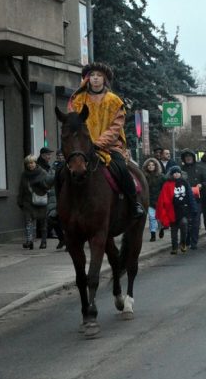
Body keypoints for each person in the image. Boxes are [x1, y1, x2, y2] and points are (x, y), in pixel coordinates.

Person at [66, 62, 144, 218]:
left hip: (109, 147)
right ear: (87, 79)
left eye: (99, 76)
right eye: (92, 75)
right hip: (82, 147)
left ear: (104, 79)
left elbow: (116, 127)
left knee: (122, 169)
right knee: (61, 171)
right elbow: (72, 122)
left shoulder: (114, 101)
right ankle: (57, 210)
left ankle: (134, 203)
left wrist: (98, 143)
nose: (95, 79)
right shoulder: (78, 100)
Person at [156, 166, 197, 254]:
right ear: (171, 174)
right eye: (174, 173)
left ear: (180, 173)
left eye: (178, 172)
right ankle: (174, 247)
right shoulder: (167, 184)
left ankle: (183, 242)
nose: (176, 174)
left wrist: (194, 208)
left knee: (184, 224)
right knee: (174, 230)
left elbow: (190, 195)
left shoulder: (185, 183)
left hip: (184, 209)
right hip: (172, 210)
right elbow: (163, 198)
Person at [17, 155, 53, 249]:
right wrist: (19, 200)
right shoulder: (24, 175)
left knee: (43, 222)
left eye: (32, 163)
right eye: (28, 163)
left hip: (41, 200)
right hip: (28, 201)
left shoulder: (43, 173)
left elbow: (49, 186)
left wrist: (41, 185)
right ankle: (29, 241)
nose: (30, 165)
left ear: (35, 163)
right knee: (28, 221)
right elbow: (21, 188)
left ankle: (43, 242)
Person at [179, 149, 202, 250]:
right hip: (184, 199)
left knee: (195, 221)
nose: (188, 158)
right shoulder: (180, 169)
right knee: (185, 222)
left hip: (196, 199)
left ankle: (194, 242)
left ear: (193, 157)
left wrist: (201, 185)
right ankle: (186, 239)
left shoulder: (199, 168)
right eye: (186, 156)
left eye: (190, 156)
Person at [142, 158, 164, 242]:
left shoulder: (161, 176)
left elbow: (166, 185)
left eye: (153, 165)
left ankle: (161, 228)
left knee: (159, 218)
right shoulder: (144, 176)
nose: (151, 166)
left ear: (156, 166)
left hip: (159, 200)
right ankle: (153, 234)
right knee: (152, 217)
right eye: (149, 165)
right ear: (146, 166)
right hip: (149, 200)